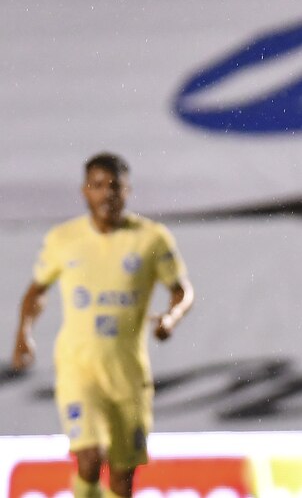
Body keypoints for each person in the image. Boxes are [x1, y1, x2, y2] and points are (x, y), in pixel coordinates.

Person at [11, 152, 195, 498]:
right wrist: (24, 335)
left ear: (127, 191)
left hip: (128, 375)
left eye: (115, 186)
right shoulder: (64, 239)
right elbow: (36, 291)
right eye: (98, 186)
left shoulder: (151, 239)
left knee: (123, 479)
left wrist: (172, 317)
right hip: (79, 369)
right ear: (85, 191)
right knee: (89, 457)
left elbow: (182, 290)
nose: (106, 194)